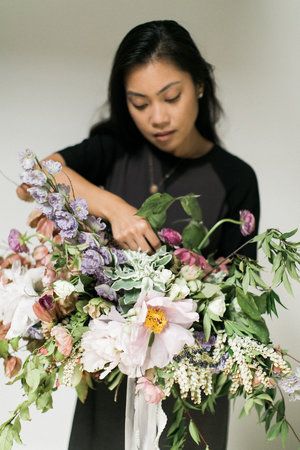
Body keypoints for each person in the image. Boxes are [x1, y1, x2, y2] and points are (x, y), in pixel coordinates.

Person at [18, 20, 260, 450]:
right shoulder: (113, 151)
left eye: (171, 97)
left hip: (190, 387)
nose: (158, 117)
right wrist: (114, 208)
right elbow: (34, 176)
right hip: (112, 379)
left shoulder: (235, 178)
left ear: (199, 85)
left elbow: (239, 297)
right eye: (139, 102)